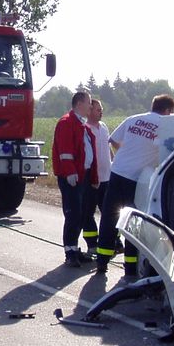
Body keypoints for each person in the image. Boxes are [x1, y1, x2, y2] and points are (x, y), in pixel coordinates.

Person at [95, 94, 174, 279]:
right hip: (136, 180)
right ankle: (130, 268)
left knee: (109, 217)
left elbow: (113, 140)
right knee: (133, 221)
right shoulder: (164, 126)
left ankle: (101, 261)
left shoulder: (134, 119)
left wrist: (127, 154)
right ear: (167, 110)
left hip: (117, 173)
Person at [51, 91, 99, 267]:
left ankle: (75, 249)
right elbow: (65, 151)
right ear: (79, 103)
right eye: (89, 102)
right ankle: (70, 251)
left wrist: (93, 176)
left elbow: (87, 151)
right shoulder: (66, 122)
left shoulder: (82, 125)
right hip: (72, 177)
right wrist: (70, 172)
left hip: (83, 176)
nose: (91, 106)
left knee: (82, 213)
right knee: (73, 214)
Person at [81, 98, 112, 259]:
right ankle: (92, 244)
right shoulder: (85, 129)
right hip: (92, 179)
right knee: (88, 212)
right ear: (90, 111)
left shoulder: (104, 127)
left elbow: (108, 150)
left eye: (102, 109)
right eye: (98, 109)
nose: (101, 112)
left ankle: (114, 243)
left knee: (110, 212)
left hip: (107, 178)